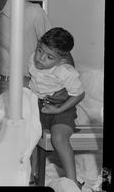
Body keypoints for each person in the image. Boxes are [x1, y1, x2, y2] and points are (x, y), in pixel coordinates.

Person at [28, 27, 85, 188]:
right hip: (38, 105)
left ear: (62, 60)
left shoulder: (66, 71)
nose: (40, 58)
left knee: (59, 138)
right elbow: (31, 83)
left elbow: (79, 94)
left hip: (62, 107)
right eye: (40, 50)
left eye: (49, 57)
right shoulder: (32, 60)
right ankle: (30, 177)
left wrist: (58, 110)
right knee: (28, 135)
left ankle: (72, 181)